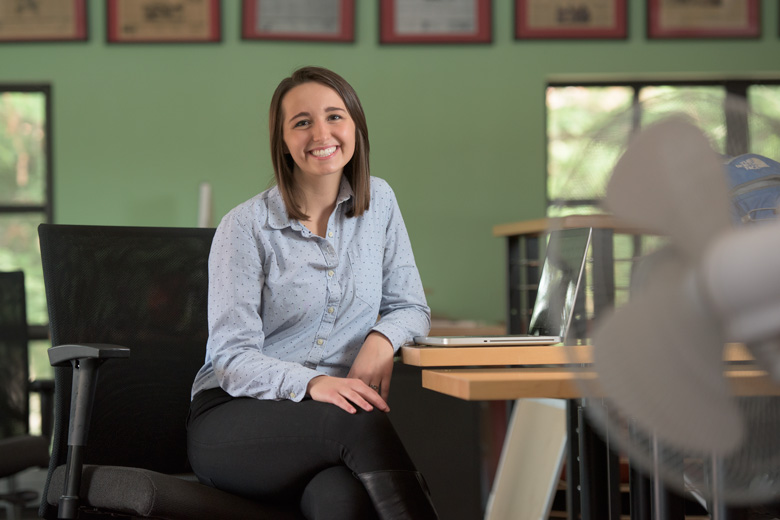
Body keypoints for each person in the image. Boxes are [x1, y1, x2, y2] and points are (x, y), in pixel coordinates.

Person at [186, 66, 438, 520]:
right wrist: (315, 383)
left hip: (327, 430)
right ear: (282, 141)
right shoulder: (244, 228)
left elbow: (411, 306)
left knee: (340, 500)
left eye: (334, 116)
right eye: (302, 122)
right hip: (233, 420)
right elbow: (230, 358)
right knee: (361, 423)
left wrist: (381, 340)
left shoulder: (378, 203)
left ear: (355, 128)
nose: (321, 133)